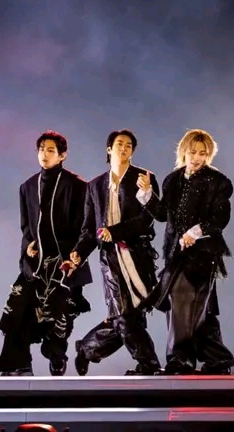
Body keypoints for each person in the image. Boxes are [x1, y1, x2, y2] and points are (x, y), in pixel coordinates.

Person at [137, 129, 234, 375]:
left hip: (203, 255)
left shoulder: (219, 181)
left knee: (182, 301)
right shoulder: (172, 180)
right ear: (183, 151)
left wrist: (195, 232)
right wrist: (147, 193)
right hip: (175, 254)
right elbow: (163, 214)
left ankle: (179, 360)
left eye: (203, 153)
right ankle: (218, 360)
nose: (197, 158)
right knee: (191, 309)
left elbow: (220, 219)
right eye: (193, 152)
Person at [66, 129, 162, 376]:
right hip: (111, 260)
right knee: (124, 316)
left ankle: (87, 348)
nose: (124, 148)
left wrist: (115, 231)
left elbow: (147, 220)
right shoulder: (95, 185)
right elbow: (89, 229)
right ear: (109, 149)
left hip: (138, 256)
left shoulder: (144, 178)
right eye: (119, 144)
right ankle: (149, 365)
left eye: (129, 145)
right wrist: (78, 254)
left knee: (131, 316)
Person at [0, 130, 92, 376]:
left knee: (59, 314)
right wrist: (28, 244)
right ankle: (18, 364)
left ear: (62, 155)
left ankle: (57, 355)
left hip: (65, 263)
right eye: (41, 149)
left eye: (51, 150)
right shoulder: (28, 187)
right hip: (36, 264)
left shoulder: (78, 186)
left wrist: (77, 254)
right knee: (17, 307)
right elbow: (26, 227)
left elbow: (86, 226)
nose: (44, 154)